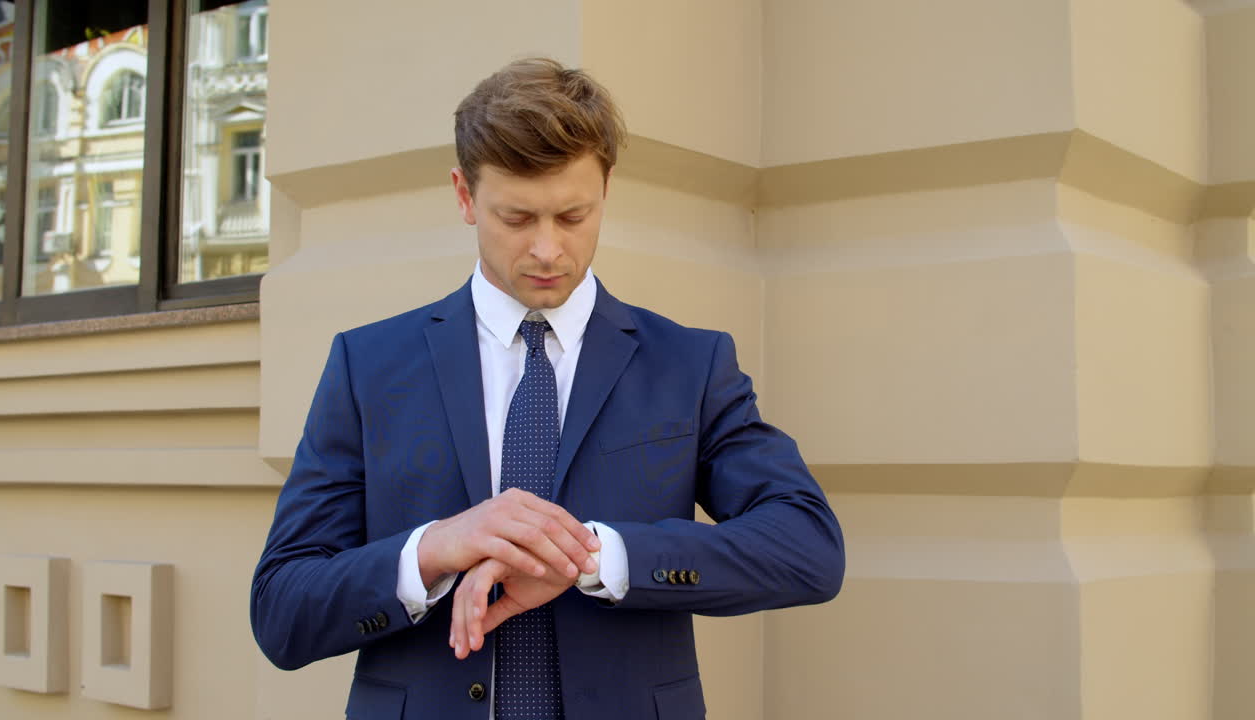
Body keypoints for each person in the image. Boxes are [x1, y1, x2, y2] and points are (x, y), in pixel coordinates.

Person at [250, 57, 845, 720]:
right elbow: (283, 610)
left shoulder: (689, 364)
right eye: (516, 218)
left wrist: (593, 557)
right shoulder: (369, 366)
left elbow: (808, 548)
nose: (546, 251)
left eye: (571, 216)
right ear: (464, 196)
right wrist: (435, 549)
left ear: (606, 190)